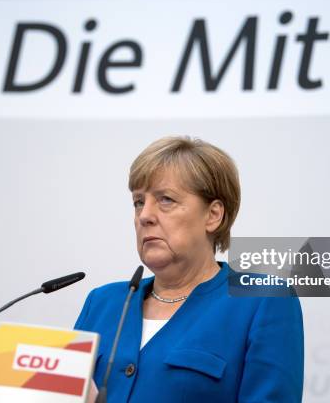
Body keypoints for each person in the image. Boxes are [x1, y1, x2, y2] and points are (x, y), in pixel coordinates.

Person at [75, 136, 304, 402]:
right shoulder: (102, 303)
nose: (145, 215)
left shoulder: (262, 300)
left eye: (166, 200)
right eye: (139, 202)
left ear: (213, 215)